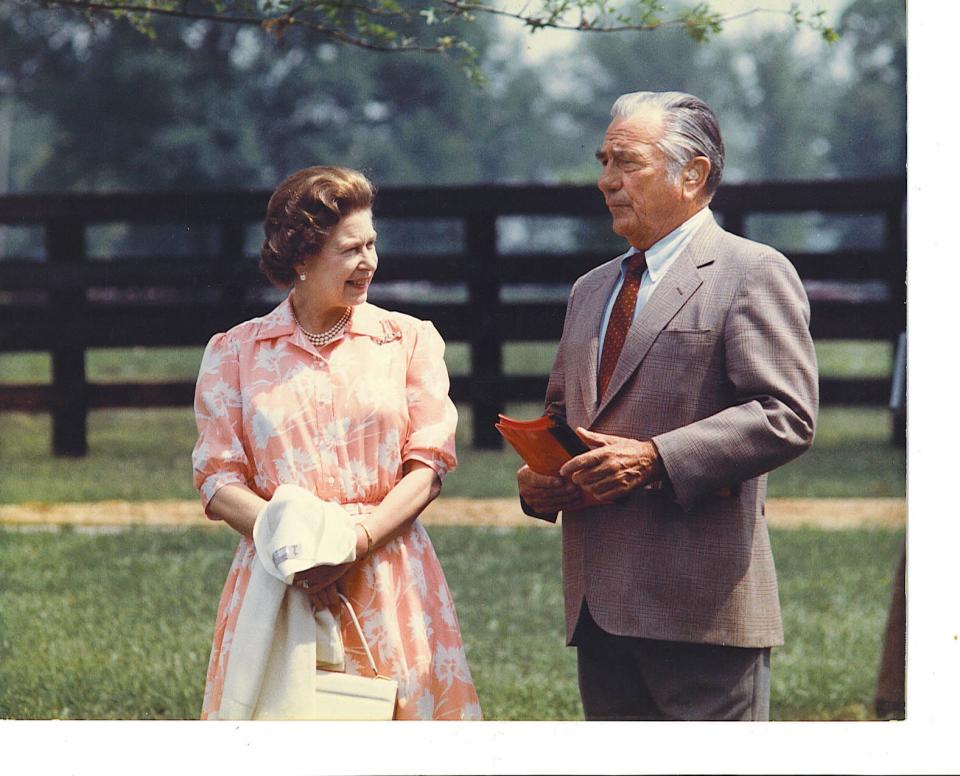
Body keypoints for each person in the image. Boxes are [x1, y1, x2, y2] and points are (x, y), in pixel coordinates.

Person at [516, 91, 818, 721]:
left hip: (701, 610)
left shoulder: (752, 272)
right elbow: (559, 414)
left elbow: (785, 414)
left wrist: (656, 459)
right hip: (598, 610)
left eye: (626, 162)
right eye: (604, 162)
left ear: (693, 174)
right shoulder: (590, 289)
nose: (606, 181)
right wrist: (540, 479)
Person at [192, 165, 481, 720]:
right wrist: (293, 548)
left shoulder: (408, 340)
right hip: (280, 576)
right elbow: (216, 478)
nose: (369, 262)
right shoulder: (234, 352)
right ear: (301, 257)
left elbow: (428, 465)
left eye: (372, 244)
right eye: (350, 250)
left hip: (387, 572)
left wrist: (354, 541)